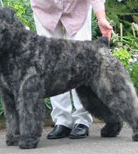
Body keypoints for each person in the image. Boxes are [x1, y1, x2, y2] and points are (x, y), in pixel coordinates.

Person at [30, 0, 113, 139]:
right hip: (45, 8)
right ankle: (62, 121)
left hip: (77, 6)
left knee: (82, 65)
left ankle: (82, 120)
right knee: (52, 66)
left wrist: (101, 17)